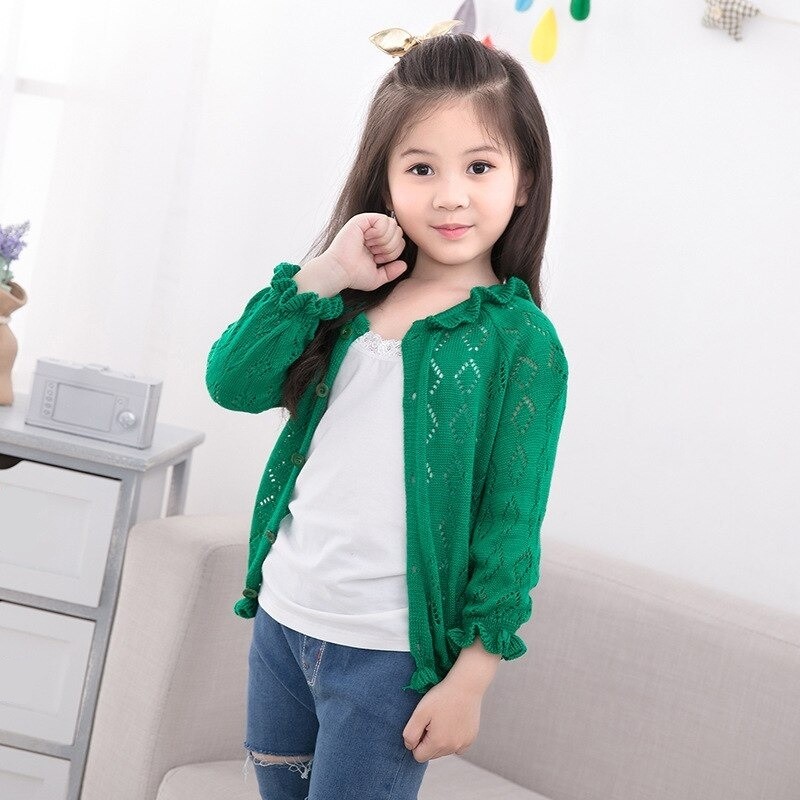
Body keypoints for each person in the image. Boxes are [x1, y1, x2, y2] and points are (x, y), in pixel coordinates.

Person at [205, 22, 569, 800]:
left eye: (479, 166)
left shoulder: (519, 341)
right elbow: (233, 382)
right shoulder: (348, 298)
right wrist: (324, 274)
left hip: (389, 657)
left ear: (524, 180)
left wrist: (470, 678)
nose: (450, 194)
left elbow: (510, 526)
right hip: (283, 625)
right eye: (421, 167)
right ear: (386, 178)